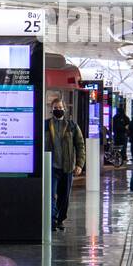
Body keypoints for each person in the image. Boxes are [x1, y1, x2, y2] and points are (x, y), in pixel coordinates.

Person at [45, 97, 85, 231]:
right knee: (50, 195)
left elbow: (80, 145)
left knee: (64, 196)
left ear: (65, 109)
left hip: (67, 167)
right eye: (55, 108)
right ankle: (52, 220)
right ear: (51, 109)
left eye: (60, 108)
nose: (58, 110)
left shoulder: (72, 126)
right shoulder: (45, 125)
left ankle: (60, 219)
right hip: (51, 167)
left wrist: (79, 164)